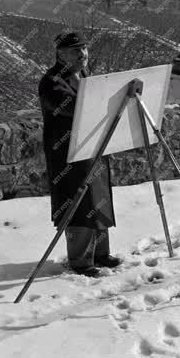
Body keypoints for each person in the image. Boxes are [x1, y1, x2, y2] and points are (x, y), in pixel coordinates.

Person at [38, 31, 121, 278]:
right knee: (79, 203)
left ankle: (100, 253)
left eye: (84, 49)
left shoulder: (83, 75)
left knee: (98, 199)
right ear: (60, 54)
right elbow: (73, 107)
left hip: (91, 148)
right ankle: (81, 260)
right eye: (75, 50)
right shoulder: (52, 81)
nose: (82, 54)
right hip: (68, 154)